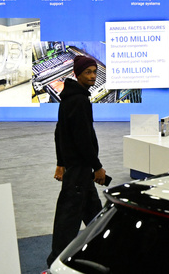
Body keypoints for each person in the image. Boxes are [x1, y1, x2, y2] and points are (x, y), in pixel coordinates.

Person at [46, 55, 106, 268]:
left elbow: (59, 132)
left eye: (94, 72)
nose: (92, 76)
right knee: (68, 221)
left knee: (97, 217)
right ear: (77, 74)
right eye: (88, 72)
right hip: (80, 171)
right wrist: (97, 167)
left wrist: (60, 162)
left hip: (77, 170)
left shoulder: (70, 97)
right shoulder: (79, 100)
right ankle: (55, 263)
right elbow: (83, 139)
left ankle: (102, 254)